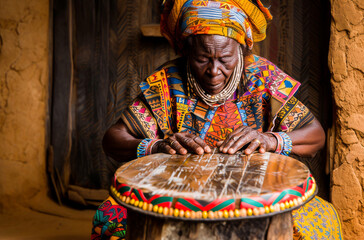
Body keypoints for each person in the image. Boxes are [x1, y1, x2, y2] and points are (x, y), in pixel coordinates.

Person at [91, 0, 342, 239]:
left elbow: (315, 135)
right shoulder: (167, 82)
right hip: (177, 198)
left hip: (257, 198)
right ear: (188, 51)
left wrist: (270, 139)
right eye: (202, 59)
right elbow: (113, 139)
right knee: (110, 220)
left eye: (225, 59)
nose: (213, 71)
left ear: (243, 49)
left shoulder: (264, 78)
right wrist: (156, 145)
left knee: (320, 221)